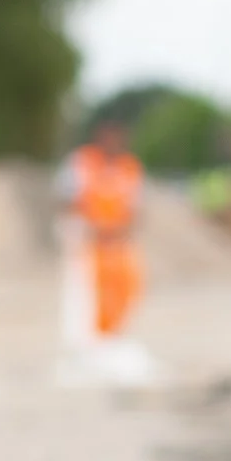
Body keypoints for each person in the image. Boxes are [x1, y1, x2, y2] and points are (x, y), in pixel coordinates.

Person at [54, 122, 157, 387]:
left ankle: (111, 337)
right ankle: (90, 343)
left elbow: (137, 206)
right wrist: (89, 227)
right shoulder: (82, 163)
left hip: (119, 241)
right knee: (89, 293)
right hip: (89, 241)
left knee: (126, 287)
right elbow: (66, 200)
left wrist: (121, 229)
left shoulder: (129, 168)